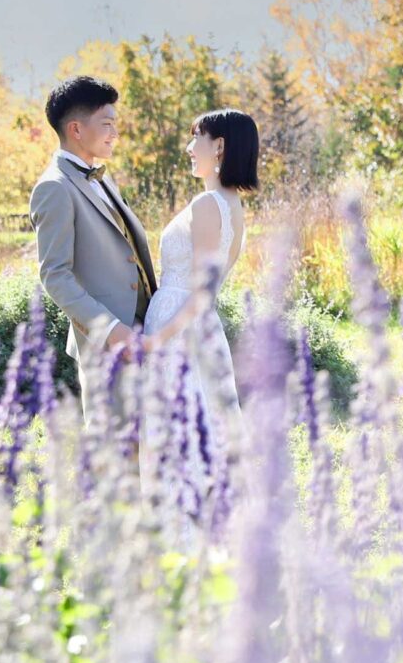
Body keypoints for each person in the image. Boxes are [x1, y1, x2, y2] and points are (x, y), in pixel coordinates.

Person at [29, 75, 158, 409]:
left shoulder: (102, 176)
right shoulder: (54, 187)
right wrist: (112, 331)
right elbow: (55, 275)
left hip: (142, 335)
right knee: (115, 455)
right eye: (107, 124)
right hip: (106, 347)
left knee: (148, 450)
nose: (115, 133)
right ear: (76, 129)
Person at [139, 109, 255, 415]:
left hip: (178, 329)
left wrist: (155, 341)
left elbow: (202, 292)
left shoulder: (206, 205)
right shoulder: (233, 205)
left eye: (195, 138)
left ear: (218, 146)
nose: (189, 149)